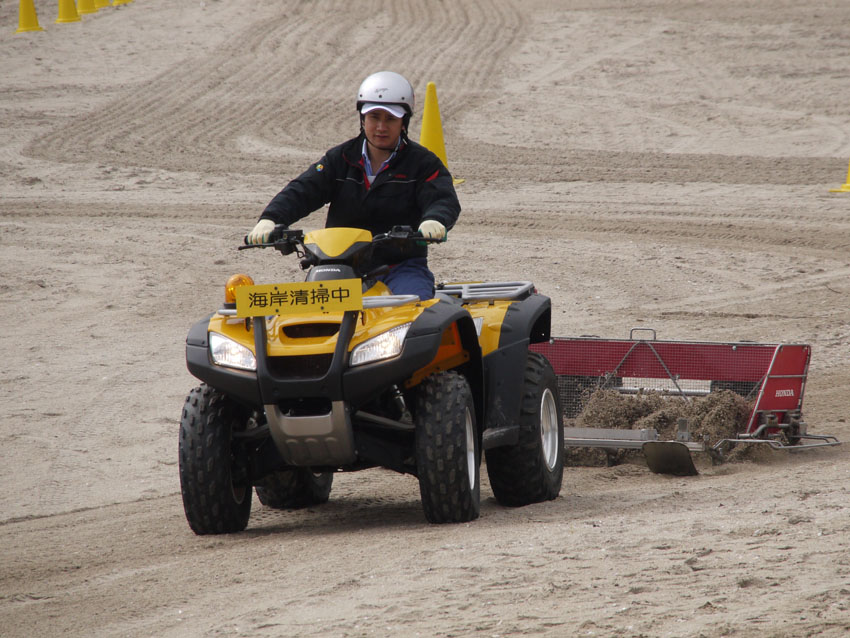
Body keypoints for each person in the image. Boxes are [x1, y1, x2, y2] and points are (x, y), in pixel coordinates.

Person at [246, 71, 461, 300]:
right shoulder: (340, 159)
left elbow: (442, 198)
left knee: (414, 312)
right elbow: (302, 190)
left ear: (404, 122)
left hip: (400, 268)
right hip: (337, 267)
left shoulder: (423, 163)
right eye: (374, 117)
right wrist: (270, 219)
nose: (381, 126)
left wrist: (434, 220)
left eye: (390, 119)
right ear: (362, 118)